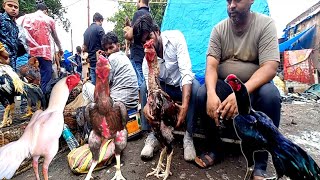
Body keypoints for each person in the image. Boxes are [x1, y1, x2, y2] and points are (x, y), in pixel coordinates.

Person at [196, 0, 281, 179]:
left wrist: (241, 93)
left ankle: (260, 164)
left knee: (271, 96)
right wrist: (212, 93)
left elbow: (270, 67)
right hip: (226, 84)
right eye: (228, 1)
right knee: (202, 93)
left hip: (254, 87)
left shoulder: (265, 25)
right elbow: (211, 66)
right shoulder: (218, 30)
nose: (231, 5)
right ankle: (215, 149)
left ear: (251, 1)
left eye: (237, 0)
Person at [132, 14, 200, 161]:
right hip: (164, 88)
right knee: (144, 87)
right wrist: (147, 106)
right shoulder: (146, 57)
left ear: (157, 31)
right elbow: (151, 86)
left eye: (150, 37)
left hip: (181, 84)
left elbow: (186, 74)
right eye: (144, 41)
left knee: (195, 88)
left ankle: (188, 137)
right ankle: (153, 134)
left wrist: (185, 107)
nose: (148, 43)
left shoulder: (176, 38)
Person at [82, 31, 139, 111]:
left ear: (118, 46)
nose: (108, 51)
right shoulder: (124, 57)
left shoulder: (112, 59)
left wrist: (99, 62)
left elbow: (102, 88)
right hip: (132, 104)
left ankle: (92, 119)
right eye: (106, 49)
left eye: (111, 47)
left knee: (86, 87)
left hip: (117, 105)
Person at [17, 3, 63, 94]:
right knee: (45, 80)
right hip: (45, 54)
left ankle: (30, 101)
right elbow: (55, 37)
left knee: (30, 79)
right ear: (45, 10)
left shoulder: (25, 18)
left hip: (31, 53)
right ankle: (43, 102)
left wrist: (24, 46)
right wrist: (60, 48)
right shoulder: (49, 19)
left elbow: (18, 31)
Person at [124, 0, 150, 87]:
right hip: (146, 51)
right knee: (146, 77)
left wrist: (126, 34)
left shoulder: (138, 14)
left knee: (140, 80)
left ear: (139, 1)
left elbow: (130, 35)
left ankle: (143, 100)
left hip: (137, 52)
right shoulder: (149, 15)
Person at [83, 12, 105, 85]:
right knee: (102, 85)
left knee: (94, 85)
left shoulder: (86, 31)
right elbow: (105, 44)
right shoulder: (99, 29)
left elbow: (85, 48)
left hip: (92, 62)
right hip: (100, 62)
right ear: (100, 20)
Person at [0, 0, 19, 70]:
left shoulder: (15, 25)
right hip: (2, 60)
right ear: (4, 6)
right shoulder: (1, 18)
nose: (13, 8)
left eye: (16, 7)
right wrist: (1, 50)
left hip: (12, 62)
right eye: (10, 5)